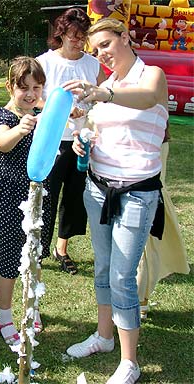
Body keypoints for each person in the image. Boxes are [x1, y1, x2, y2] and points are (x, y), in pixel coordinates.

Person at [65, 18, 168, 384]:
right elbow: (97, 130)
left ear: (125, 38)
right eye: (96, 49)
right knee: (104, 269)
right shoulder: (105, 84)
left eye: (106, 44)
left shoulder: (151, 75)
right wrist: (83, 141)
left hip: (137, 192)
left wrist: (103, 94)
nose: (102, 53)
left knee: (123, 276)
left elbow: (148, 99)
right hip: (97, 188)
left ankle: (129, 362)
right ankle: (104, 337)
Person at [0, 56, 51, 344]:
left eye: (37, 87)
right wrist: (20, 129)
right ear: (10, 87)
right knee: (10, 262)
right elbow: (1, 142)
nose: (31, 94)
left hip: (35, 196)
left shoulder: (39, 113)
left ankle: (30, 306)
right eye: (24, 87)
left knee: (34, 258)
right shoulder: (4, 117)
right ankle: (4, 319)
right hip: (6, 197)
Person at [37, 8, 106, 275]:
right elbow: (34, 98)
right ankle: (39, 249)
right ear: (61, 34)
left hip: (84, 139)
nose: (77, 41)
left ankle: (62, 248)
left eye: (82, 36)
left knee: (75, 197)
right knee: (47, 195)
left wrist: (92, 104)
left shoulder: (92, 64)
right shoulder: (44, 62)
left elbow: (105, 94)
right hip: (52, 139)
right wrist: (62, 110)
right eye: (72, 36)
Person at [136, 130, 190, 320]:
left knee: (143, 225)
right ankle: (137, 298)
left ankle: (138, 299)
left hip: (144, 143)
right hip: (127, 144)